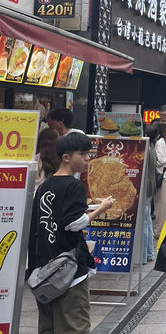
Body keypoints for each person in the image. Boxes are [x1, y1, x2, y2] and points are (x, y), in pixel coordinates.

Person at [28, 133, 114, 334]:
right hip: (68, 269)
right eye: (83, 154)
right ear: (66, 157)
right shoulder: (73, 184)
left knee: (48, 327)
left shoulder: (45, 186)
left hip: (44, 270)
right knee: (75, 326)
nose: (87, 159)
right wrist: (102, 208)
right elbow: (75, 223)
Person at [143, 122, 158, 263]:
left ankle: (145, 254)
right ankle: (148, 252)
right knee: (147, 219)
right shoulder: (151, 146)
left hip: (145, 187)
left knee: (144, 220)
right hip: (150, 185)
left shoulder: (145, 147)